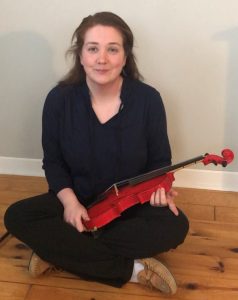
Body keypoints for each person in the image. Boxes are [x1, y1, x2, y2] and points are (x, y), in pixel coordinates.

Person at [4, 11, 189, 295]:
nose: (102, 59)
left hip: (127, 206)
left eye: (112, 49)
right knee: (17, 216)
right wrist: (69, 203)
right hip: (75, 200)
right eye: (93, 49)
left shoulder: (148, 100)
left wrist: (159, 191)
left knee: (176, 226)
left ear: (125, 57)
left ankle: (59, 251)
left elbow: (159, 162)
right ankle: (134, 271)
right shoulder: (58, 100)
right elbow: (53, 162)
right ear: (81, 55)